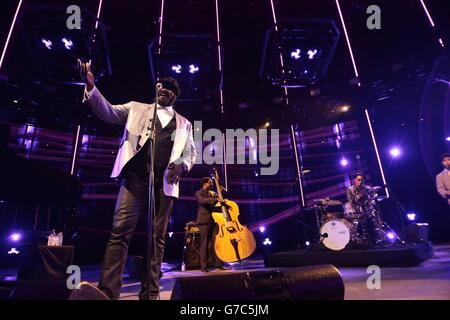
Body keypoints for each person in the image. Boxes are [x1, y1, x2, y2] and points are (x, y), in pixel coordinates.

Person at [78, 60, 196, 300]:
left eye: (171, 90)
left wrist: (183, 166)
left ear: (176, 96)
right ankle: (108, 292)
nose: (166, 91)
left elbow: (190, 152)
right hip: (134, 180)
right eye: (163, 86)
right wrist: (91, 86)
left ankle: (150, 293)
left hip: (164, 185)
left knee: (157, 239)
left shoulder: (185, 123)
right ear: (156, 88)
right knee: (119, 231)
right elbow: (108, 112)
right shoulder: (136, 108)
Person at [195, 177, 224, 272]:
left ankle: (219, 265)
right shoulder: (198, 193)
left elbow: (220, 198)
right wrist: (215, 199)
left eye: (212, 182)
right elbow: (202, 201)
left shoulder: (213, 193)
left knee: (217, 244)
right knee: (205, 244)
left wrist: (220, 191)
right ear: (204, 183)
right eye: (210, 182)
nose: (211, 184)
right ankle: (204, 267)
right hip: (204, 221)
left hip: (214, 221)